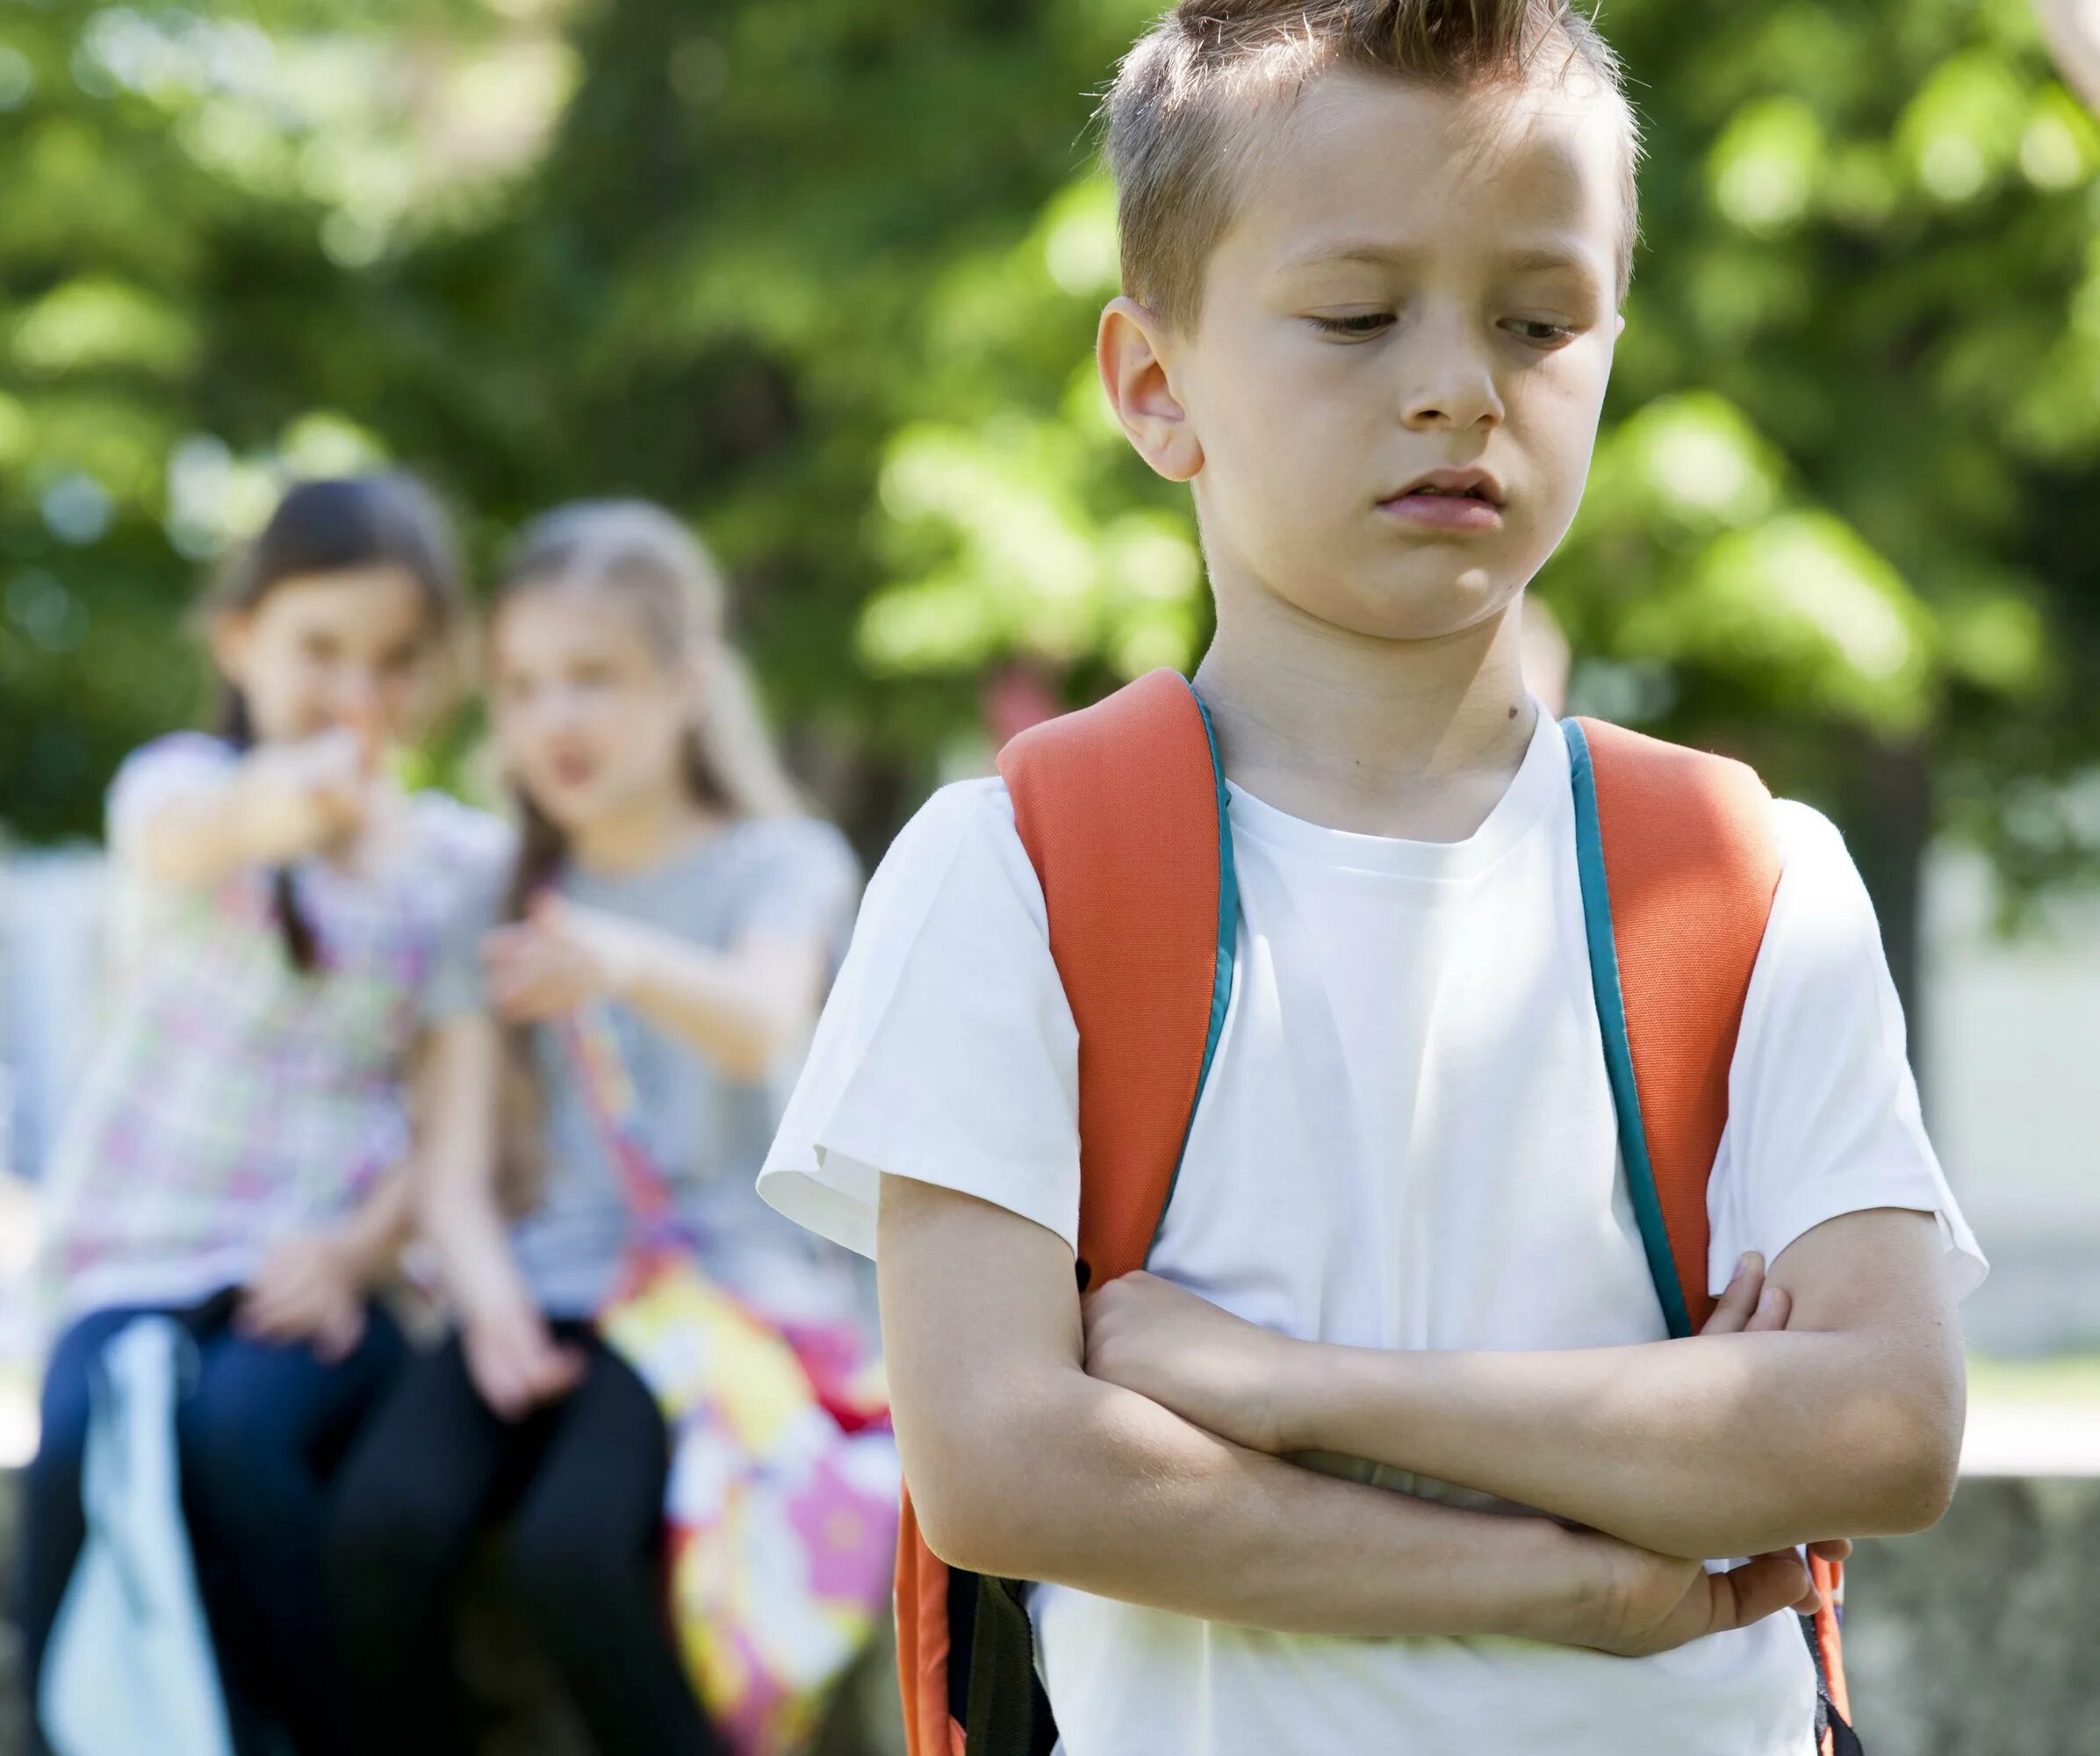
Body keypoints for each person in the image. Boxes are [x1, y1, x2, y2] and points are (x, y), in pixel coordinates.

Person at [759, 4, 1985, 1753]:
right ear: (1153, 385)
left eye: (1540, 319)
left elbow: (1879, 1428)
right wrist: (1577, 1564)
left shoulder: (1751, 875)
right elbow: (1008, 1468)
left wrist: (1269, 1388)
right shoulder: (1013, 869)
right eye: (1356, 315)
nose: (1458, 385)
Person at [326, 500, 862, 1753]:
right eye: (520, 687)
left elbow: (759, 1021)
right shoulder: (493, 893)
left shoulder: (780, 861)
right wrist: (491, 1306)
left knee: (578, 1556)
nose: (552, 719)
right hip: (541, 1285)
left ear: (684, 685)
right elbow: (451, 1174)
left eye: (592, 680)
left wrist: (619, 959)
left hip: (715, 1303)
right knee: (379, 1529)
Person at [12, 474, 509, 1755]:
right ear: (241, 641)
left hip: (327, 1264)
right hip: (137, 1247)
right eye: (321, 652)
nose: (360, 692)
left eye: (397, 660)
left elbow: (461, 1113)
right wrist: (296, 802)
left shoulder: (454, 866)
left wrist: (356, 1251)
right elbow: (190, 834)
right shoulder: (183, 788)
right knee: (86, 1439)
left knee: (242, 1436)